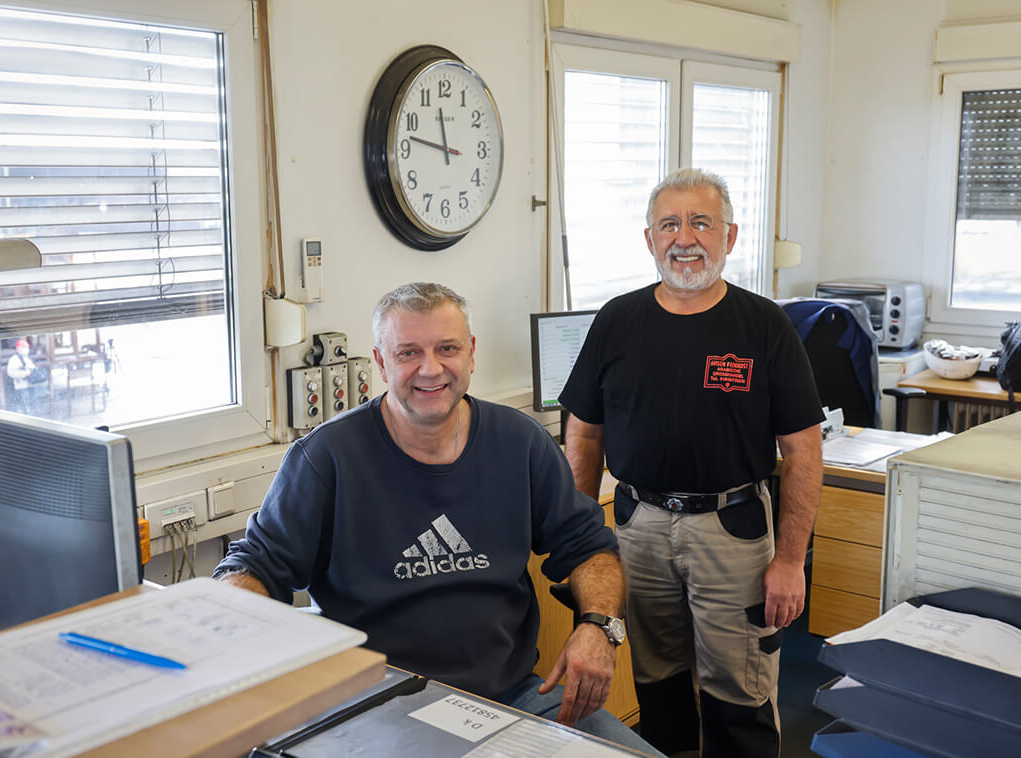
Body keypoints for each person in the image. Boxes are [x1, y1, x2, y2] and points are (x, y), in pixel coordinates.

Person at [214, 282, 660, 756]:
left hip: (513, 699)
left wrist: (598, 627)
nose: (431, 368)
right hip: (377, 707)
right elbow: (255, 566)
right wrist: (227, 625)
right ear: (381, 363)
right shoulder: (326, 459)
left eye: (447, 349)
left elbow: (589, 545)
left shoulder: (520, 442)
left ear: (470, 354)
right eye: (409, 352)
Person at [559, 168, 824, 758]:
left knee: (740, 695)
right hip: (638, 529)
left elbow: (803, 451)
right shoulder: (616, 321)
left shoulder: (765, 326)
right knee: (659, 687)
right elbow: (582, 436)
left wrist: (789, 560)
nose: (685, 238)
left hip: (732, 531)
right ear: (649, 239)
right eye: (669, 224)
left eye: (701, 222)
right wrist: (579, 538)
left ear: (729, 237)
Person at [5, 338, 39, 413]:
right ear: (18, 348)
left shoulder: (27, 358)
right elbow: (10, 372)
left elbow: (32, 369)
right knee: (23, 405)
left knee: (32, 404)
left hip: (31, 385)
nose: (26, 349)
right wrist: (24, 374)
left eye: (26, 347)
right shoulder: (14, 359)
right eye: (23, 347)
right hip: (20, 386)